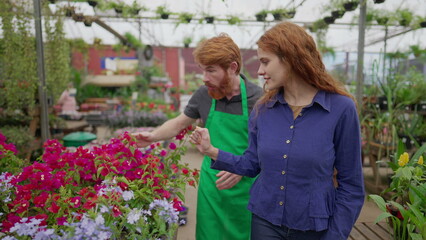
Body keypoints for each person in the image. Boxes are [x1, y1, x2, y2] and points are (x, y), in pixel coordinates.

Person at [190, 22, 365, 240]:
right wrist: (211, 150)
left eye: (265, 61)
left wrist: (335, 235)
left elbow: (352, 187)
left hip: (314, 228)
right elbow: (251, 164)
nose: (260, 71)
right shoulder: (263, 110)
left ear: (291, 58)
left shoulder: (340, 109)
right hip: (265, 223)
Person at [133, 34, 263, 240]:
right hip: (213, 187)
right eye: (203, 70)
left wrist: (242, 168)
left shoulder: (259, 99)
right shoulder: (205, 94)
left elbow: (267, 147)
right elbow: (179, 122)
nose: (204, 77)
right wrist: (152, 136)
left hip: (246, 189)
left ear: (232, 67)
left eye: (211, 70)